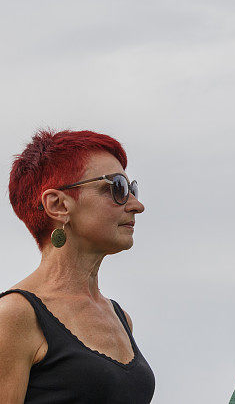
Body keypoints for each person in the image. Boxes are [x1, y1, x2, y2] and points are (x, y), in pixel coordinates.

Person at [0, 130, 155, 403]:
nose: (136, 205)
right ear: (58, 205)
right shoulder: (14, 317)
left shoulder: (120, 318)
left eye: (133, 189)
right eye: (117, 188)